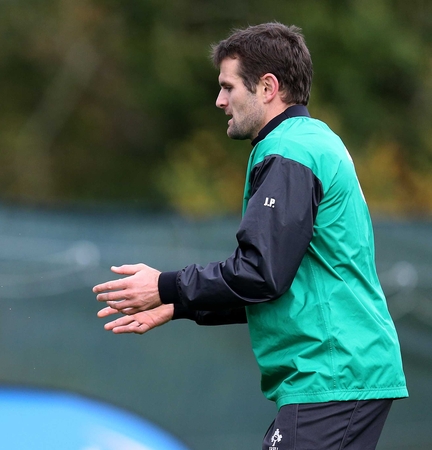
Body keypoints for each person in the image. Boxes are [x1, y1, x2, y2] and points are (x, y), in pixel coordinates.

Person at [93, 22, 407, 450]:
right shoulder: (309, 142)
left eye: (228, 87)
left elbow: (261, 274)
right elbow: (284, 285)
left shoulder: (290, 152)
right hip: (341, 373)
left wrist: (165, 285)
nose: (220, 101)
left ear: (267, 87)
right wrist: (178, 303)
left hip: (333, 375)